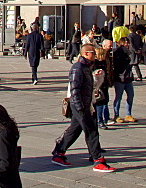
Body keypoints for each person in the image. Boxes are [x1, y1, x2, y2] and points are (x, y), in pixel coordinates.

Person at [52, 44, 114, 172]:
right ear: (86, 53)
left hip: (85, 104)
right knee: (91, 131)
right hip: (80, 105)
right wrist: (80, 107)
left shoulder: (86, 67)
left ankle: (59, 152)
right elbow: (74, 89)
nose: (95, 56)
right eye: (93, 53)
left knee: (74, 130)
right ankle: (97, 159)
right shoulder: (78, 68)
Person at [112, 37, 136, 123]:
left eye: (128, 43)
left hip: (128, 77)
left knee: (130, 95)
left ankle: (128, 114)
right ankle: (116, 115)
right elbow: (119, 65)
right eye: (126, 43)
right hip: (120, 78)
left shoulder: (128, 52)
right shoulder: (119, 52)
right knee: (118, 97)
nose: (127, 44)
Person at [93, 40, 113, 128]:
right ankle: (99, 120)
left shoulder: (104, 62)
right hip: (98, 86)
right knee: (100, 103)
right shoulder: (95, 63)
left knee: (104, 102)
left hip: (104, 84)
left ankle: (105, 118)